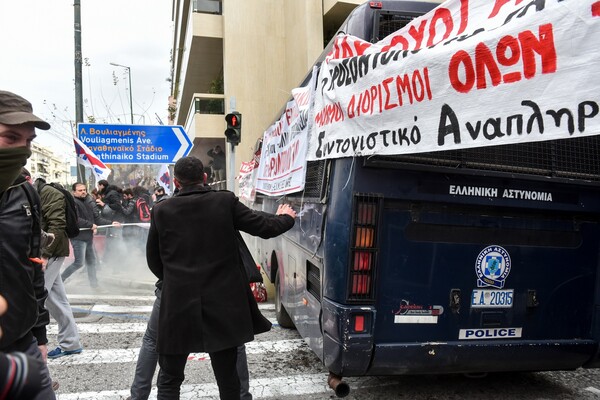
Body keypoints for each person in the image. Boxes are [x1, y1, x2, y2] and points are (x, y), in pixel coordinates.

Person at [147, 156, 296, 399]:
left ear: (176, 182)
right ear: (205, 178)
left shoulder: (161, 210)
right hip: (222, 304)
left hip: (177, 304)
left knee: (169, 379)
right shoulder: (224, 201)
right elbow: (263, 227)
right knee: (228, 379)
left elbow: (154, 260)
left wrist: (175, 280)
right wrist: (286, 218)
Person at [0, 89, 56, 398]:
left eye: (29, 141)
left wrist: (40, 334)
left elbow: (33, 265)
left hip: (22, 346)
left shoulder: (26, 193)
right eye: (10, 138)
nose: (23, 150)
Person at [32, 177, 84, 359]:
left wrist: (45, 255)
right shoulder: (41, 193)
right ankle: (71, 342)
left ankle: (32, 345)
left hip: (51, 252)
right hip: (50, 251)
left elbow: (57, 225)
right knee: (56, 299)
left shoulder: (48, 193)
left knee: (36, 297)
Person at [61, 182, 103, 288]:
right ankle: (60, 280)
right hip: (78, 237)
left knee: (92, 262)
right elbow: (76, 219)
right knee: (79, 263)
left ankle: (94, 286)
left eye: (84, 190)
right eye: (80, 190)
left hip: (88, 237)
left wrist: (111, 223)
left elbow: (95, 218)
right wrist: (90, 225)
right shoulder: (73, 203)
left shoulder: (88, 201)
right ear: (74, 192)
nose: (83, 192)